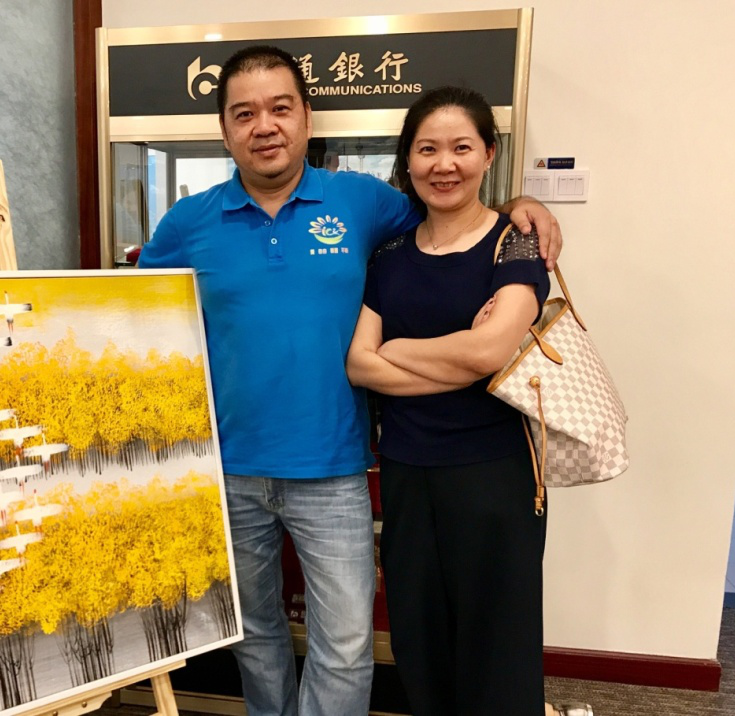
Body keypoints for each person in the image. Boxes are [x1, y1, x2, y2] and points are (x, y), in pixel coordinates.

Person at [138, 46, 562, 716]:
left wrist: (520, 205)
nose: (264, 126)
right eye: (244, 114)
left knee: (344, 643)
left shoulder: (362, 202)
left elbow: (451, 208)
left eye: (280, 108)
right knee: (254, 635)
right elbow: (138, 319)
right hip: (226, 468)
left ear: (307, 117)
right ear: (224, 130)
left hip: (334, 469)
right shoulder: (186, 224)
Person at [346, 86, 561, 715]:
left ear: (488, 154)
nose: (445, 164)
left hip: (495, 474)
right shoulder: (390, 256)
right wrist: (460, 358)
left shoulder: (514, 244)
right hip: (407, 471)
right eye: (428, 150)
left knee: (498, 640)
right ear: (408, 161)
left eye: (462, 148)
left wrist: (400, 349)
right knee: (420, 636)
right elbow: (359, 363)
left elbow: (491, 350)